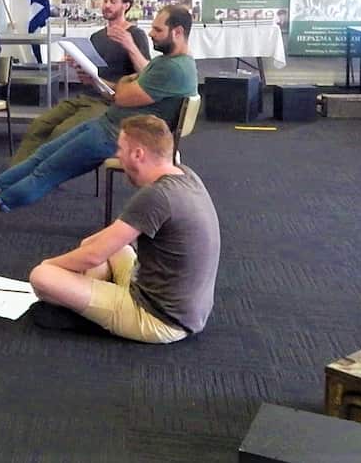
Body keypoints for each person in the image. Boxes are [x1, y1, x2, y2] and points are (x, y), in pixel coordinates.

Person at [0, 5, 197, 227]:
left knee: (46, 171)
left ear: (178, 32)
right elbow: (125, 87)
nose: (152, 34)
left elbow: (123, 95)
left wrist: (124, 83)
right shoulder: (167, 63)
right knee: (41, 155)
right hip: (109, 125)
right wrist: (121, 83)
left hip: (117, 136)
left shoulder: (174, 69)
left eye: (158, 30)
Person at [25, 115, 219, 343]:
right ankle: (87, 302)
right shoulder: (185, 175)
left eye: (121, 149)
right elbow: (96, 246)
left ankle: (86, 311)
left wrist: (49, 265)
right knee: (103, 246)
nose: (117, 155)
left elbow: (93, 256)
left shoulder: (156, 196)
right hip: (186, 310)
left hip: (159, 319)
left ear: (138, 154)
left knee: (41, 277)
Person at [11, 0, 150, 165]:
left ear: (126, 6)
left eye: (113, 2)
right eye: (105, 0)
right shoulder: (97, 37)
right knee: (39, 125)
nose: (107, 5)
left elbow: (147, 73)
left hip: (112, 101)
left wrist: (130, 46)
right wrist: (78, 64)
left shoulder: (136, 35)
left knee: (61, 132)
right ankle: (14, 176)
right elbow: (92, 73)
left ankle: (35, 175)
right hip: (88, 95)